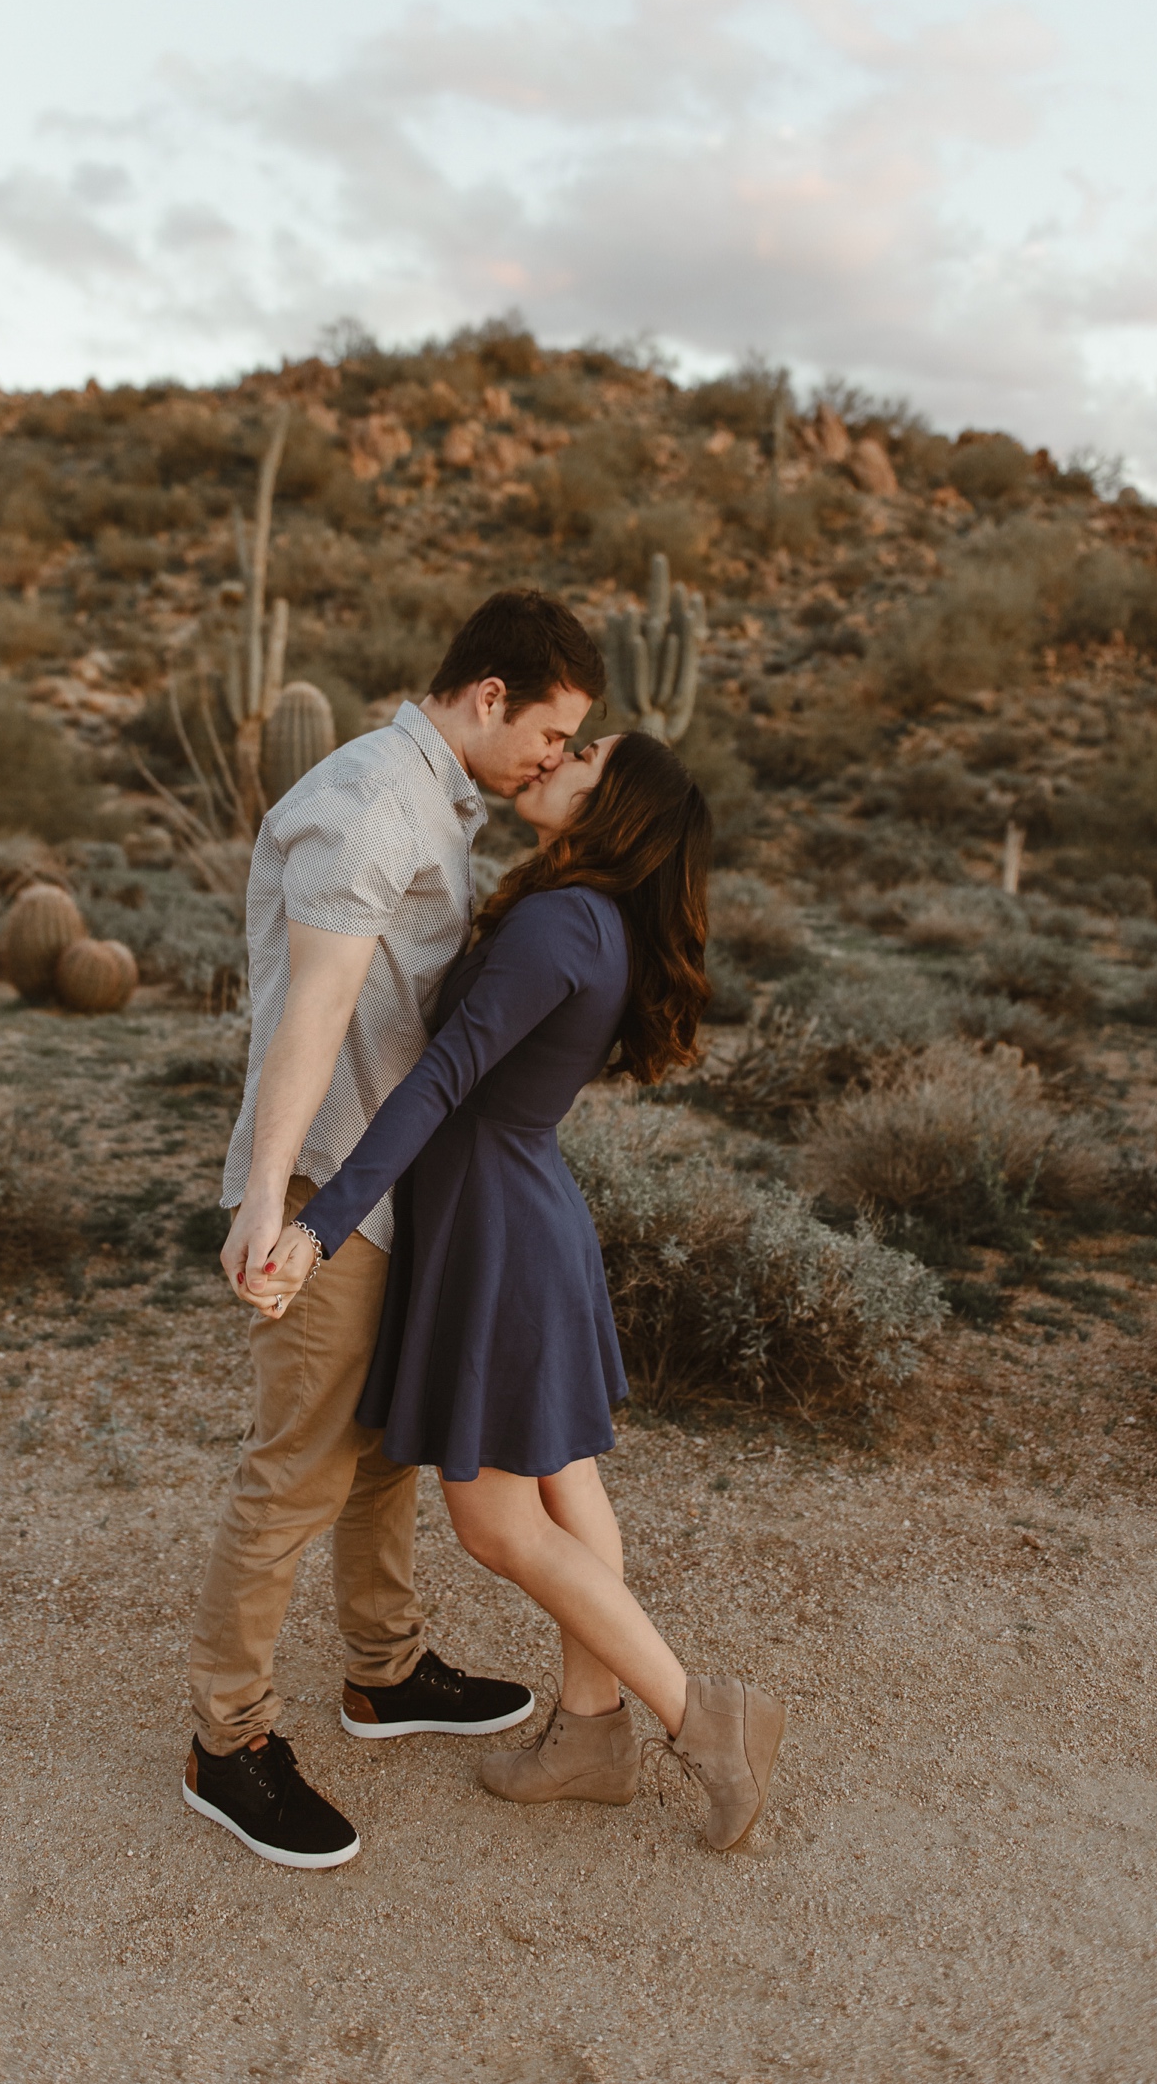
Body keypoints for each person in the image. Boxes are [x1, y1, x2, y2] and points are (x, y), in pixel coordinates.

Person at [256, 728, 786, 1855]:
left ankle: (703, 1716)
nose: (557, 759)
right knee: (564, 1484)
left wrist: (320, 1217)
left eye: (582, 758)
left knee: (497, 1519)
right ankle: (593, 1731)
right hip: (521, 1213)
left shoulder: (557, 922)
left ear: (615, 809)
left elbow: (442, 1079)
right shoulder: (596, 919)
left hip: (495, 1228)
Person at [184, 588, 606, 1870]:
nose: (557, 759)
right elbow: (311, 1010)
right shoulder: (373, 801)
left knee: (378, 1451)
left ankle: (383, 1668)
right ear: (492, 696)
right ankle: (228, 1738)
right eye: (555, 731)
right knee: (297, 1466)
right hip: (326, 1185)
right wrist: (274, 1204)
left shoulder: (439, 796)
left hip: (384, 1177)